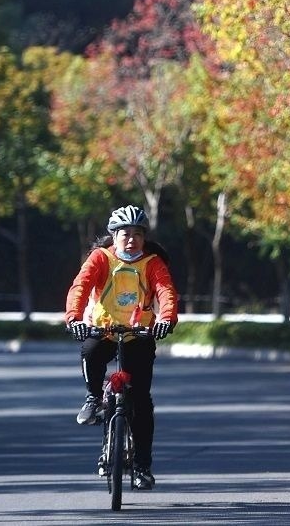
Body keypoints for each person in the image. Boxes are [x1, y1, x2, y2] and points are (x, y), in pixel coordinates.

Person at [65, 204, 178, 490]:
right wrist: (74, 318)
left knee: (140, 402)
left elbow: (165, 291)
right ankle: (93, 398)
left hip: (137, 335)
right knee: (90, 351)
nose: (131, 239)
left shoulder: (152, 262)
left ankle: (142, 467)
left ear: (144, 237)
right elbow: (80, 286)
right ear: (113, 236)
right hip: (102, 331)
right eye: (125, 234)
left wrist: (166, 319)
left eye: (137, 234)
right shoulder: (100, 258)